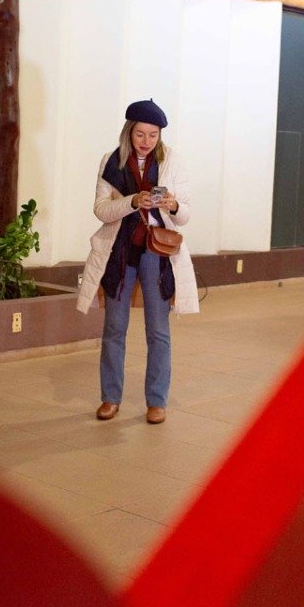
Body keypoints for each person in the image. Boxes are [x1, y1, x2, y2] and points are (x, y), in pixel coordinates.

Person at [76, 99, 199, 423]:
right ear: (129, 132)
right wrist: (132, 201)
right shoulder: (111, 161)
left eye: (153, 135)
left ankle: (157, 401)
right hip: (120, 251)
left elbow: (185, 214)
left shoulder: (172, 161)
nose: (146, 141)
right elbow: (101, 210)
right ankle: (110, 397)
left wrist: (173, 205)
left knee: (158, 329)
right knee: (114, 327)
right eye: (140, 134)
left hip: (157, 252)